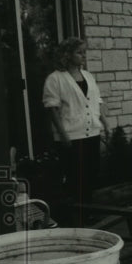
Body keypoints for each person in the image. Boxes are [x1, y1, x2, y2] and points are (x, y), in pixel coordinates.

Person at [43, 37, 108, 220]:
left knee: (91, 175)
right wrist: (63, 135)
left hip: (92, 133)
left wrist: (105, 123)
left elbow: (97, 102)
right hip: (72, 136)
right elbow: (52, 109)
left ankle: (88, 212)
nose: (83, 56)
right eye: (79, 52)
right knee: (75, 177)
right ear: (67, 55)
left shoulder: (88, 76)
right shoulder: (55, 79)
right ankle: (77, 215)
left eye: (84, 52)